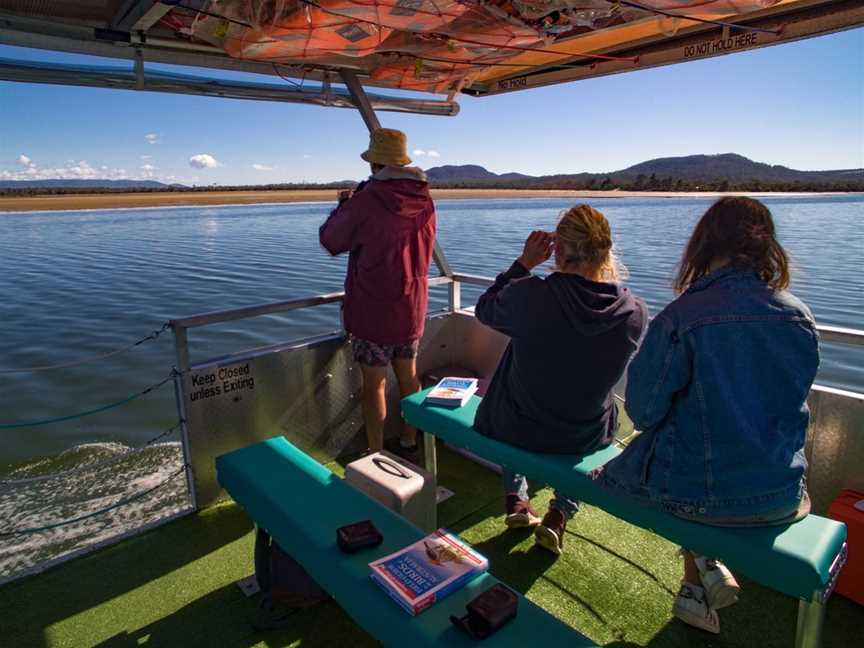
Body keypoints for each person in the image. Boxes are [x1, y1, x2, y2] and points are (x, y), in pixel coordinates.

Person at [597, 196, 819, 634]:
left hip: (701, 494)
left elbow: (642, 411)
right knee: (705, 446)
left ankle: (701, 563)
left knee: (641, 466)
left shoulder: (684, 316)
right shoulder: (800, 316)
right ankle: (699, 578)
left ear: (703, 243)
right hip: (782, 493)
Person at [474, 205, 647, 555]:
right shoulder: (633, 312)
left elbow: (485, 308)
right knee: (597, 403)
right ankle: (560, 514)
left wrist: (523, 264)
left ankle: (516, 499)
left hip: (518, 427)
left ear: (558, 249)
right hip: (583, 435)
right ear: (606, 252)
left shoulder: (529, 295)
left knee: (512, 387)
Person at [319, 128, 436, 459]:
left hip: (373, 309)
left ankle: (375, 450)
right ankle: (410, 440)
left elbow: (331, 240)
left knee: (375, 386)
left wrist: (343, 207)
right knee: (409, 377)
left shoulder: (368, 199)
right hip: (411, 306)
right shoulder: (425, 200)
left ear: (375, 164)